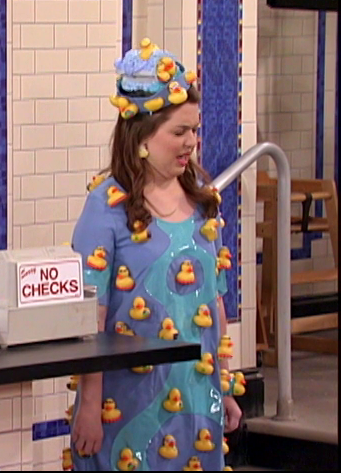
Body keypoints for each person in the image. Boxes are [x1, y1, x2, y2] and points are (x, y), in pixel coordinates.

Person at [69, 38, 242, 471]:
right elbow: (89, 318)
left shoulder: (204, 203)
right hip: (126, 404)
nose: (191, 143)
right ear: (142, 135)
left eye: (194, 131)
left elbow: (215, 305)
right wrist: (89, 404)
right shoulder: (107, 207)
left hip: (197, 398)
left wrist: (224, 383)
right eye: (179, 133)